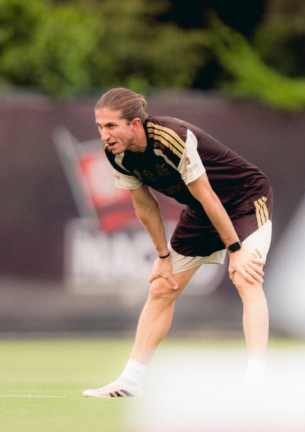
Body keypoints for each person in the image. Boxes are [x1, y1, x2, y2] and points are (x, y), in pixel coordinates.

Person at [83, 88, 272, 398]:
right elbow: (145, 205)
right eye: (99, 127)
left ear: (134, 124)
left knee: (246, 277)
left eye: (111, 126)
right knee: (161, 287)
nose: (104, 135)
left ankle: (256, 382)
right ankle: (130, 381)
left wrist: (236, 251)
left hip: (245, 199)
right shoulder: (116, 153)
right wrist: (162, 256)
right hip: (202, 209)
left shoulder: (172, 137)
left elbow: (209, 194)